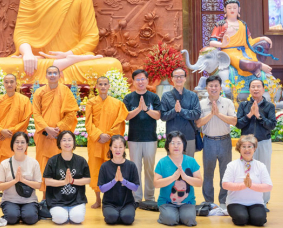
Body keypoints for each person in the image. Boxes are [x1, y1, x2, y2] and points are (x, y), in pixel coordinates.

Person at [209, 0, 276, 77]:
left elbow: (250, 42)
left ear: (239, 9)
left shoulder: (243, 24)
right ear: (225, 10)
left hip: (245, 51)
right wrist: (222, 44)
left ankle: (254, 67)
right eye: (229, 8)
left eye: (234, 7)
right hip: (230, 52)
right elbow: (212, 42)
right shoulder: (220, 24)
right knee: (244, 63)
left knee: (264, 44)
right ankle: (259, 66)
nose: (232, 10)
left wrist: (263, 38)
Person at [32, 66, 79, 196]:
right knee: (44, 164)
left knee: (61, 165)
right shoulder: (39, 92)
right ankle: (45, 197)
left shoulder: (66, 92)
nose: (52, 75)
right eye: (50, 73)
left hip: (60, 137)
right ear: (46, 75)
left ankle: (60, 195)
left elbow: (71, 113)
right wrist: (47, 129)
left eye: (55, 73)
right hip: (44, 135)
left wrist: (59, 128)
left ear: (59, 75)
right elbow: (36, 113)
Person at [85, 76, 129, 208]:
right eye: (100, 84)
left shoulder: (117, 103)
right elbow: (88, 123)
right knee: (96, 170)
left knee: (112, 169)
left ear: (109, 86)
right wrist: (99, 135)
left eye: (105, 84)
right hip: (96, 141)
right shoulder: (91, 103)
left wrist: (109, 135)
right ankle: (98, 199)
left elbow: (120, 122)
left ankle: (110, 199)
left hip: (111, 143)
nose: (103, 86)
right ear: (97, 87)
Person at [196, 75, 237, 209]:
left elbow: (234, 121)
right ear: (206, 88)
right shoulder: (201, 103)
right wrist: (211, 114)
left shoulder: (227, 102)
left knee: (225, 172)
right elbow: (198, 123)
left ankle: (224, 201)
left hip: (225, 141)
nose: (213, 88)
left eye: (216, 86)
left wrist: (218, 114)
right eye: (211, 86)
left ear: (220, 87)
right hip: (208, 141)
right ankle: (208, 202)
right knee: (208, 173)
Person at [123, 69, 161, 203]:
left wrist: (146, 109)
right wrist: (138, 109)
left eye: (142, 79)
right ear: (133, 82)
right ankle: (136, 197)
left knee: (150, 169)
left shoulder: (154, 97)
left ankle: (150, 197)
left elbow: (158, 115)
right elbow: (126, 116)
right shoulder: (128, 98)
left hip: (150, 138)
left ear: (147, 80)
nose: (140, 82)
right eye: (137, 79)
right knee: (136, 169)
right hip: (134, 138)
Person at [236, 79, 276, 209]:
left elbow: (272, 125)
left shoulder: (269, 106)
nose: (256, 89)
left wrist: (259, 116)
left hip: (263, 142)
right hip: (247, 145)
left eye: (258, 86)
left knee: (263, 171)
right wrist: (249, 115)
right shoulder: (243, 106)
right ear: (250, 90)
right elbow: (239, 124)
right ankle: (246, 199)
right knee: (246, 170)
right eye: (253, 86)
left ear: (263, 89)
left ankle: (263, 202)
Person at [0, 74, 32, 185]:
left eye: (11, 81)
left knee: (18, 164)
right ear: (3, 84)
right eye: (6, 82)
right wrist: (1, 130)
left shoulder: (24, 100)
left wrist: (11, 131)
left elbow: (26, 120)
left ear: (16, 83)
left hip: (18, 139)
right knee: (1, 164)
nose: (9, 84)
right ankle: (2, 188)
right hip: (1, 139)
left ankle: (18, 189)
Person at [222, 135, 273, 226]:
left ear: (254, 148)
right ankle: (244, 215)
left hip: (255, 202)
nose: (247, 149)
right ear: (239, 149)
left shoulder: (260, 165)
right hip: (235, 202)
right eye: (244, 146)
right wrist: (244, 185)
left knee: (259, 221)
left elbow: (268, 186)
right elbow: (225, 184)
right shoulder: (232, 165)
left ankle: (250, 215)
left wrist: (250, 185)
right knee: (241, 219)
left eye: (250, 146)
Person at [154, 131, 202, 227]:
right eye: (172, 143)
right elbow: (156, 183)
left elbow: (199, 182)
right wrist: (173, 178)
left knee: (189, 220)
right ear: (168, 146)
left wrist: (185, 177)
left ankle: (180, 215)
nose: (176, 146)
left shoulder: (191, 161)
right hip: (167, 202)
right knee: (170, 220)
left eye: (179, 143)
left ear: (184, 145)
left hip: (187, 202)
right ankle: (173, 215)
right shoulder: (162, 162)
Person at [43, 131, 91, 224]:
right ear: (59, 143)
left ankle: (71, 211)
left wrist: (72, 181)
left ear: (73, 143)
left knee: (78, 219)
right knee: (60, 219)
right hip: (57, 200)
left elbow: (87, 179)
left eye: (70, 140)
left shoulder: (81, 160)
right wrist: (64, 182)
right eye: (64, 140)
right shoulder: (53, 160)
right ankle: (62, 212)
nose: (67, 143)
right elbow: (47, 181)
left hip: (77, 199)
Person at [0, 132, 42, 225]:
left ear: (27, 145)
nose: (19, 145)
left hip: (29, 200)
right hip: (10, 200)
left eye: (22, 142)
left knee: (30, 218)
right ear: (12, 144)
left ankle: (24, 213)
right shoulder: (4, 163)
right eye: (17, 142)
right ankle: (16, 213)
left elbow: (38, 185)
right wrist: (15, 181)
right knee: (11, 218)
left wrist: (23, 180)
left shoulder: (34, 163)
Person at [98, 135, 140, 225]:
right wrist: (115, 180)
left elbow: (135, 187)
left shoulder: (131, 165)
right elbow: (102, 189)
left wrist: (122, 180)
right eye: (115, 147)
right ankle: (116, 214)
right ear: (110, 148)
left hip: (127, 203)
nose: (118, 150)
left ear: (124, 148)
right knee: (111, 218)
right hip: (109, 203)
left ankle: (123, 213)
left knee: (128, 219)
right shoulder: (104, 166)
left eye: (120, 147)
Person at [161, 68, 201, 157]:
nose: (179, 79)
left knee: (188, 167)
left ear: (185, 78)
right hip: (172, 137)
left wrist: (181, 111)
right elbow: (163, 116)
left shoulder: (192, 95)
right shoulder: (166, 96)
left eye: (181, 76)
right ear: (172, 79)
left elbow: (197, 114)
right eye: (176, 76)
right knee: (172, 166)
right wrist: (174, 110)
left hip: (189, 136)